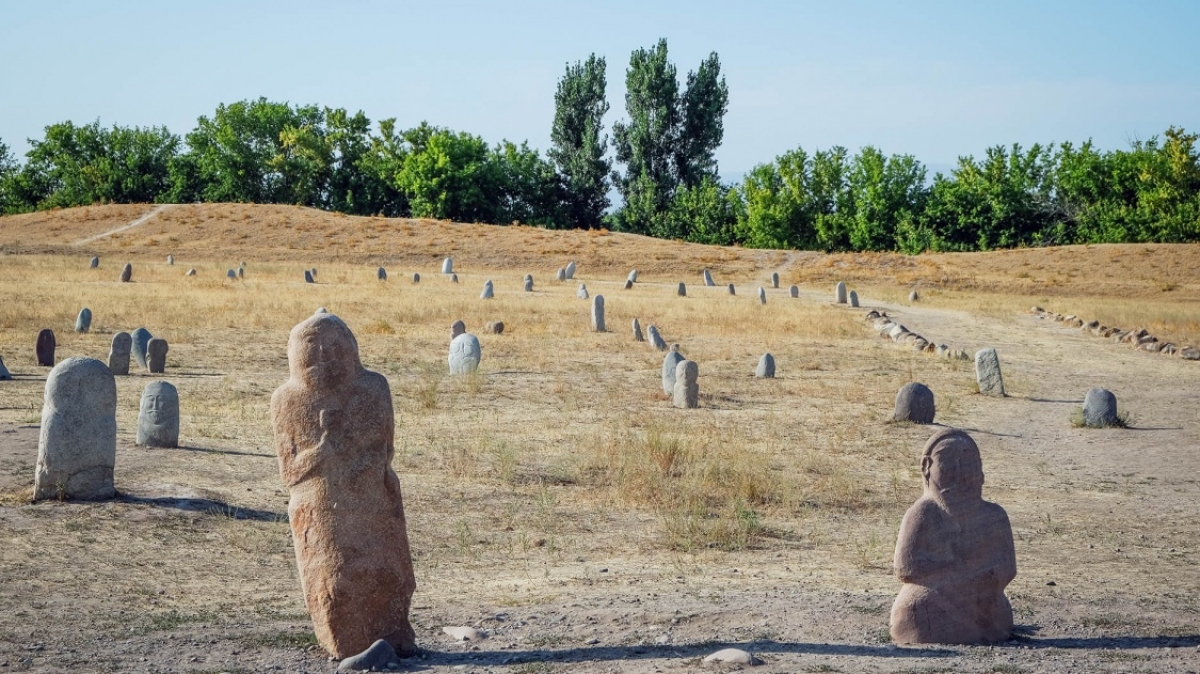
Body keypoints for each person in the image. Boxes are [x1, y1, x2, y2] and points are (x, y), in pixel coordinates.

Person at [272, 313, 417, 658]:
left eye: (335, 346)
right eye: (314, 348)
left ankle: (393, 634)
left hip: (373, 500)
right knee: (337, 584)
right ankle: (344, 636)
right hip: (321, 510)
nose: (326, 355)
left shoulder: (373, 389)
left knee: (389, 575)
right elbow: (290, 473)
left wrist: (359, 466)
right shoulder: (288, 400)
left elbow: (385, 451)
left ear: (351, 349)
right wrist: (324, 450)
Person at [890, 428, 1016, 644]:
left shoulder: (994, 515)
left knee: (994, 605)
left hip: (981, 599)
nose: (959, 473)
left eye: (968, 463)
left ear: (981, 472)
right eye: (947, 461)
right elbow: (905, 568)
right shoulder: (922, 513)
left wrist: (983, 576)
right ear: (927, 467)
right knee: (917, 605)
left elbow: (1008, 568)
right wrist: (952, 566)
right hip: (933, 600)